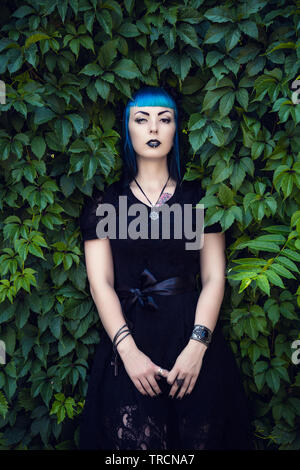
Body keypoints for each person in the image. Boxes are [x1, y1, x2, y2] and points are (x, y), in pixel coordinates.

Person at [78, 86, 254, 450]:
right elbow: (100, 284)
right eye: (142, 120)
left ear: (177, 129)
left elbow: (213, 277)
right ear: (128, 130)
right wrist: (128, 352)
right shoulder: (105, 202)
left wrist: (197, 346)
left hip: (190, 338)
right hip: (129, 340)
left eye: (165, 119)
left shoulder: (199, 199)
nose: (154, 129)